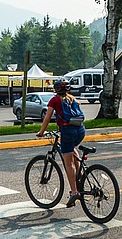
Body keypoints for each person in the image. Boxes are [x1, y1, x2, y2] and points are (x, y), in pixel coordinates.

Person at [36, 79, 85, 208]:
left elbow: (47, 117)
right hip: (80, 130)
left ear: (56, 89)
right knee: (72, 150)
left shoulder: (55, 100)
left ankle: (74, 192)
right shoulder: (73, 99)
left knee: (68, 163)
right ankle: (80, 175)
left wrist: (41, 132)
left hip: (67, 131)